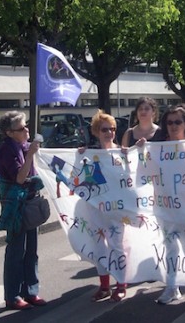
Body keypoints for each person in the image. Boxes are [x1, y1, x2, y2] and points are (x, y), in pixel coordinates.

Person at [0, 111, 47, 310]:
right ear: (9, 133)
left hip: (28, 202)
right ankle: (13, 295)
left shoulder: (23, 146)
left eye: (26, 126)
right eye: (22, 128)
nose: (26, 130)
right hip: (15, 205)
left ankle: (30, 290)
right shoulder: (6, 150)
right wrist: (31, 154)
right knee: (17, 250)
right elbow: (19, 177)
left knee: (31, 250)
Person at [155, 104, 185, 305]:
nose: (173, 126)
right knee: (171, 250)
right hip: (166, 209)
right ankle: (172, 287)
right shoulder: (157, 149)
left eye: (178, 122)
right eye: (169, 122)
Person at [80, 110, 128, 302]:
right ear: (96, 132)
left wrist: (129, 155)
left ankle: (121, 284)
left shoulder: (122, 152)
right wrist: (79, 155)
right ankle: (104, 285)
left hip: (116, 210)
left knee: (117, 246)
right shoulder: (89, 154)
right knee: (99, 247)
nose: (109, 133)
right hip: (95, 210)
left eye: (113, 129)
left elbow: (131, 179)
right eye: (105, 129)